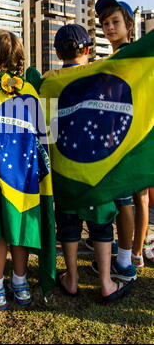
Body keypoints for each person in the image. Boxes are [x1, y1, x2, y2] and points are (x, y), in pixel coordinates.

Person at [0, 30, 56, 310]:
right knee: (20, 228)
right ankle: (21, 284)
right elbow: (45, 135)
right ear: (19, 58)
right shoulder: (29, 90)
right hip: (26, 176)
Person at [49, 24, 133, 301]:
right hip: (98, 166)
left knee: (68, 223)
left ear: (57, 52)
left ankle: (71, 279)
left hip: (63, 167)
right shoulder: (102, 77)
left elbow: (46, 126)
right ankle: (107, 283)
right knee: (101, 223)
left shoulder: (49, 81)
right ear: (87, 50)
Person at [95, 0, 149, 272]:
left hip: (134, 136)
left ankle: (132, 255)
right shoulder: (113, 58)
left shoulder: (136, 56)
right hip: (115, 137)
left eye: (115, 22)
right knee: (129, 196)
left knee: (135, 197)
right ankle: (130, 251)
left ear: (128, 24)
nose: (110, 28)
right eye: (105, 24)